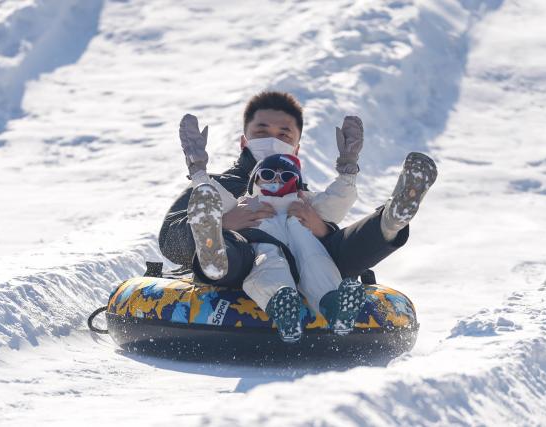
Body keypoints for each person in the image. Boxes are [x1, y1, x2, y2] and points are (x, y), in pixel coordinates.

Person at [158, 91, 437, 334]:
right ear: (244, 141)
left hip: (305, 267)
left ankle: (390, 221)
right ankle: (216, 254)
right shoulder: (215, 187)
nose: (272, 140)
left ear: (296, 148)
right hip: (240, 269)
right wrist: (224, 223)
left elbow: (333, 207)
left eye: (283, 135)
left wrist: (322, 228)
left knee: (328, 248)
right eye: (262, 132)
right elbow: (168, 239)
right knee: (243, 252)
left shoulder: (301, 197)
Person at [189, 152, 365, 342]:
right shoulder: (246, 204)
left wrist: (348, 173)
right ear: (255, 179)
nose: (277, 180)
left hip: (303, 248)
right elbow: (214, 195)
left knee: (315, 259)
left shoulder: (306, 204)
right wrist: (199, 173)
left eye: (287, 176)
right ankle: (282, 302)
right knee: (270, 260)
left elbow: (336, 200)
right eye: (267, 174)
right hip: (264, 245)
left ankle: (334, 305)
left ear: (297, 184)